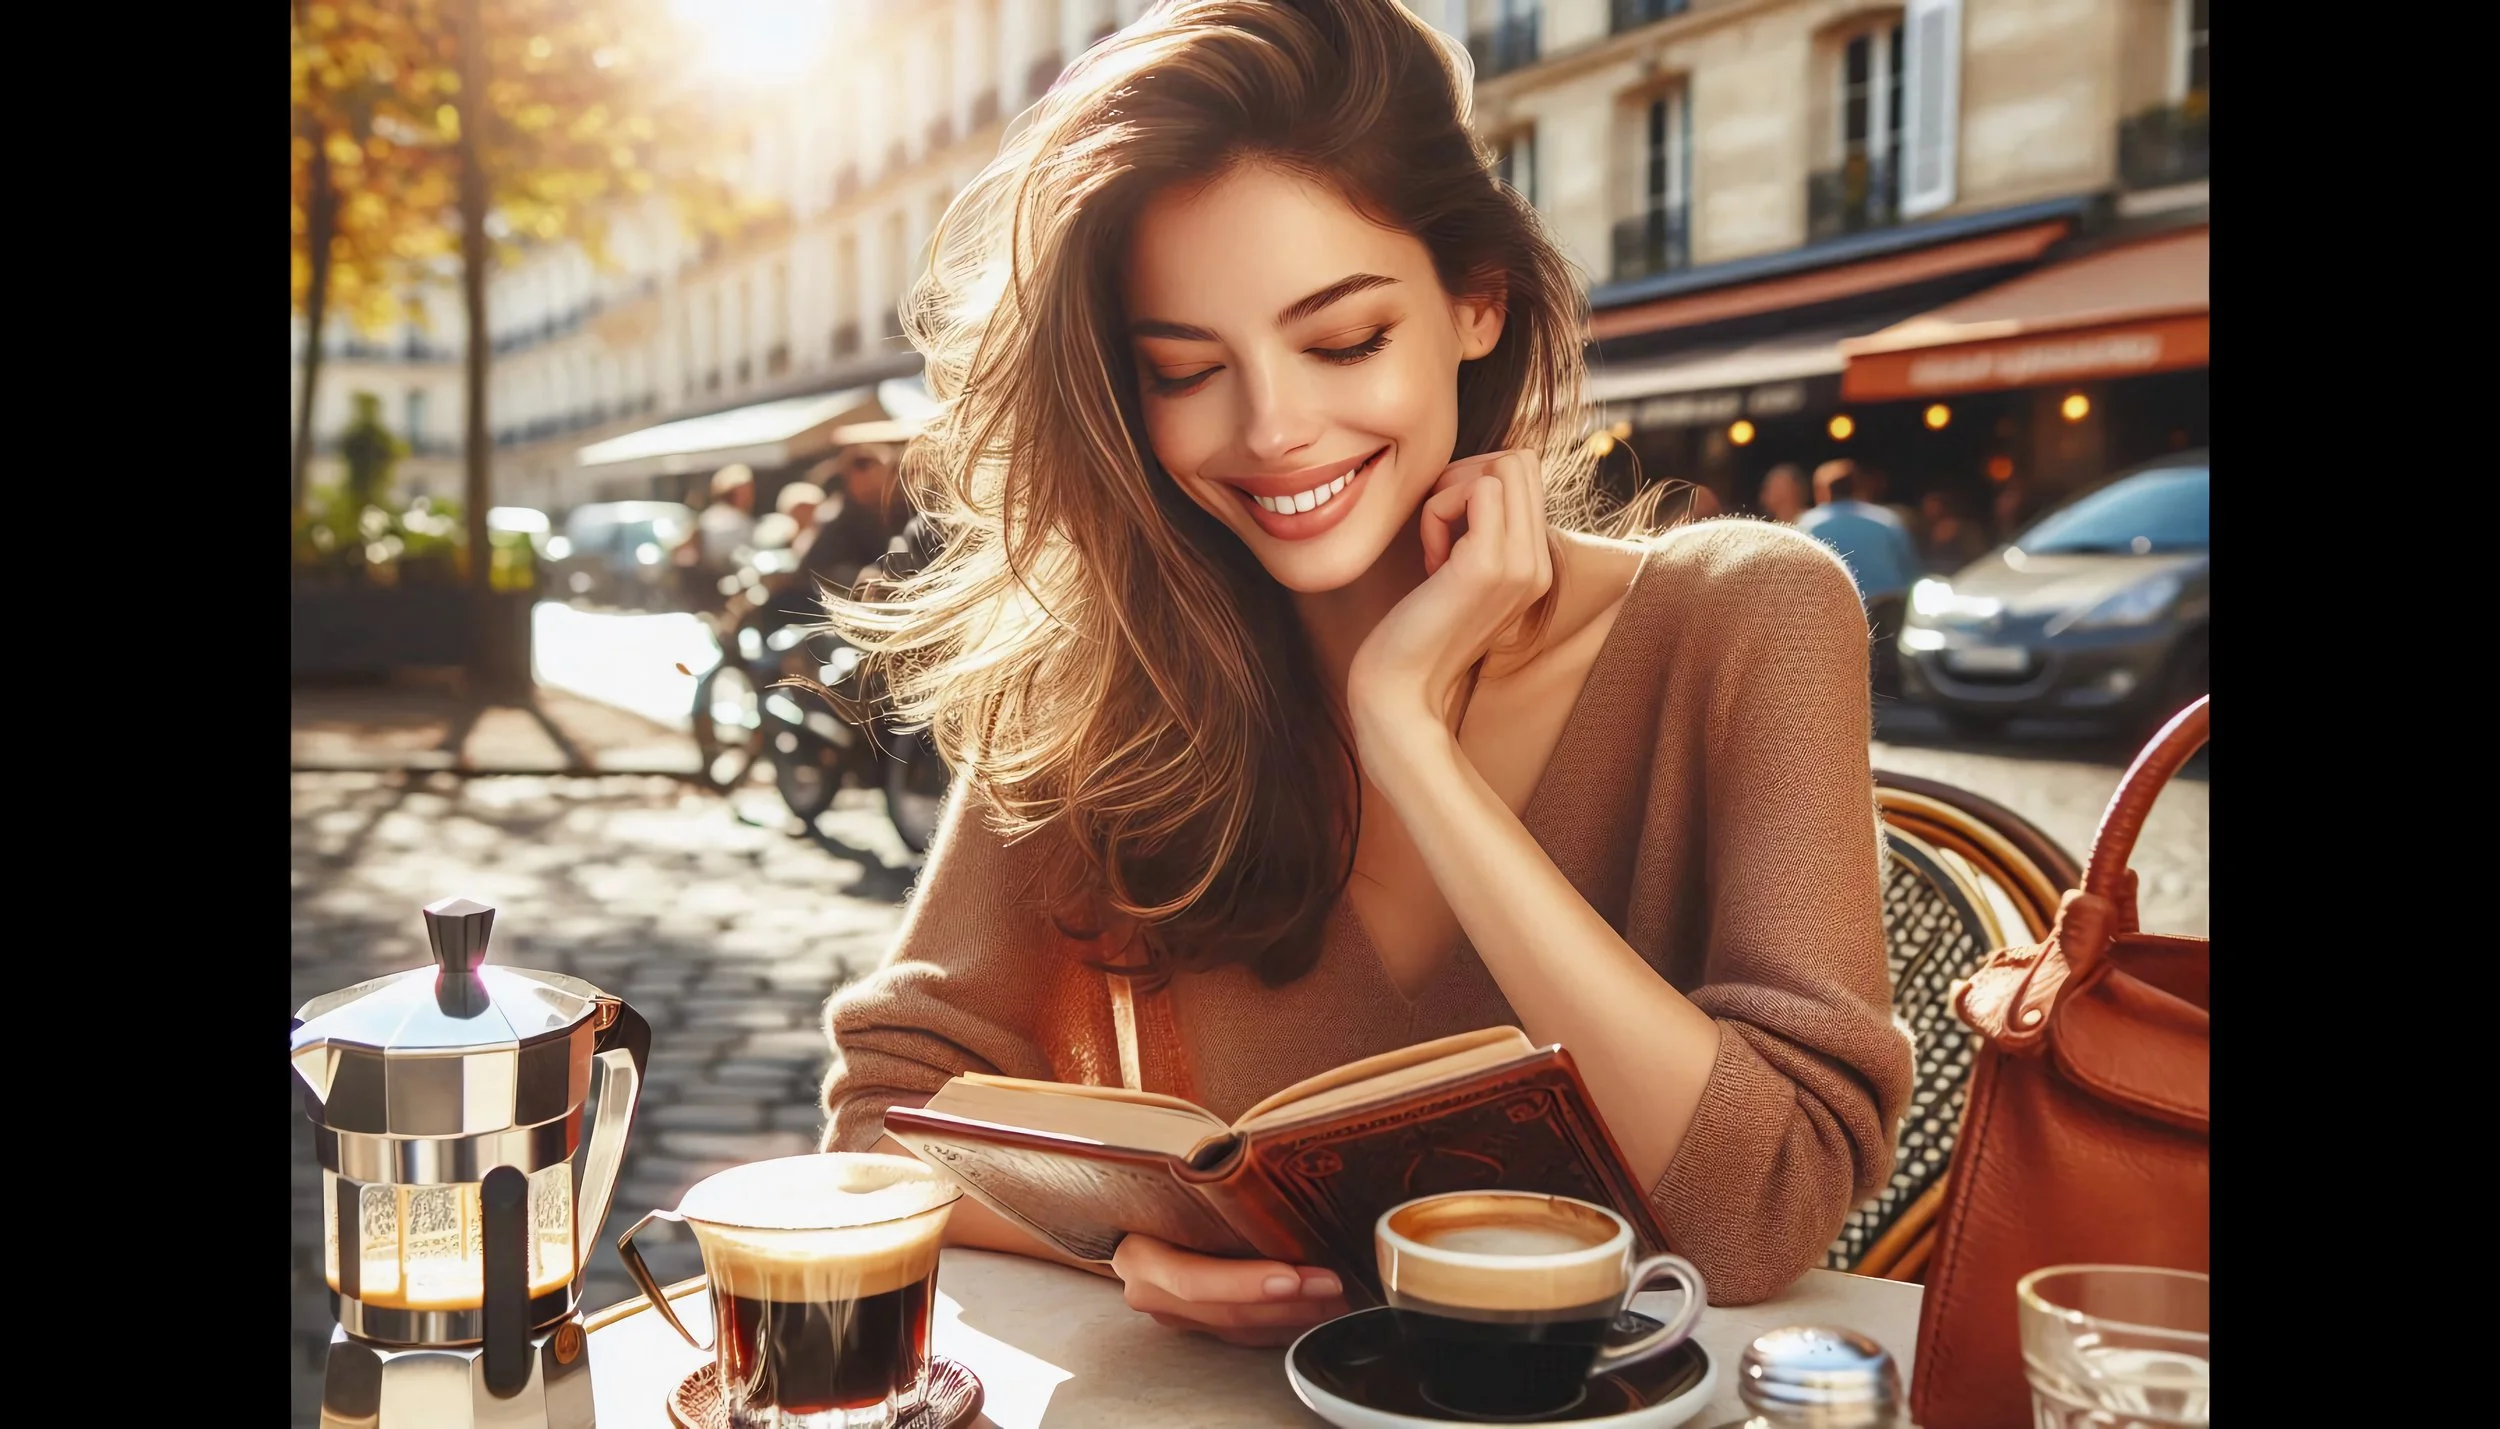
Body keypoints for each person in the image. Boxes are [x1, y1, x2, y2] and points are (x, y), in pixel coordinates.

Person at [816, 0, 1910, 1341]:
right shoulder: (1112, 693)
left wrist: (1407, 736)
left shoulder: (1745, 615)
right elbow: (881, 1128)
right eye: (1185, 370)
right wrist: (1125, 1238)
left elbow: (1761, 1207)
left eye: (1344, 341)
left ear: (1477, 299)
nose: (1274, 429)